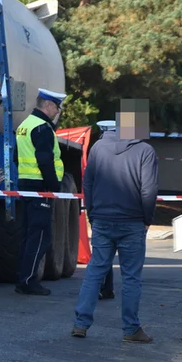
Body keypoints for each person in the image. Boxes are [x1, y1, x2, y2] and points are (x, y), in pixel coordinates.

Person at [72, 99, 158, 343]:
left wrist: (92, 214)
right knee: (131, 276)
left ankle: (81, 323)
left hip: (102, 220)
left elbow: (87, 183)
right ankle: (131, 329)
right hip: (132, 222)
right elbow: (148, 191)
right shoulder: (145, 152)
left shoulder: (99, 148)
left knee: (95, 271)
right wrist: (146, 220)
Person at [15, 88, 66, 296]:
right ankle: (28, 280)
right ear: (48, 106)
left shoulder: (25, 125)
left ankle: (23, 278)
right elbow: (45, 160)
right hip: (40, 188)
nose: (57, 112)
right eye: (57, 108)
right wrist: (54, 186)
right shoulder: (42, 128)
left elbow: (18, 157)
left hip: (26, 185)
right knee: (41, 237)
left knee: (28, 235)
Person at [93, 120, 118, 301]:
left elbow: (90, 181)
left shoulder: (99, 149)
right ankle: (107, 288)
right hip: (120, 210)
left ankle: (104, 287)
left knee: (102, 251)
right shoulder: (127, 148)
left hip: (102, 208)